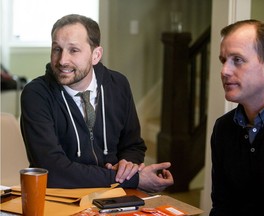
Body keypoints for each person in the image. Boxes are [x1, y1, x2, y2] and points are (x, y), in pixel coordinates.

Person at [20, 14, 173, 193]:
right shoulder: (36, 94)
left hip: (115, 194)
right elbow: (52, 170)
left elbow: (133, 145)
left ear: (96, 55)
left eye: (73, 50)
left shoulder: (118, 84)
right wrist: (133, 179)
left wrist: (128, 166)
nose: (62, 60)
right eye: (57, 49)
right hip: (61, 198)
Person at [210, 19, 264, 216]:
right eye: (223, 60)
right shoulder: (223, 129)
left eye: (237, 60)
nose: (224, 71)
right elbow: (222, 207)